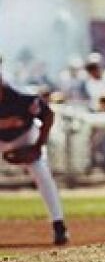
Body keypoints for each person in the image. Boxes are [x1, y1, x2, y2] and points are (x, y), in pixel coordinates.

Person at [0, 55, 69, 245]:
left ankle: (58, 225)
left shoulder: (21, 97)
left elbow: (48, 115)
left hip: (25, 137)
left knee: (42, 173)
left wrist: (38, 146)